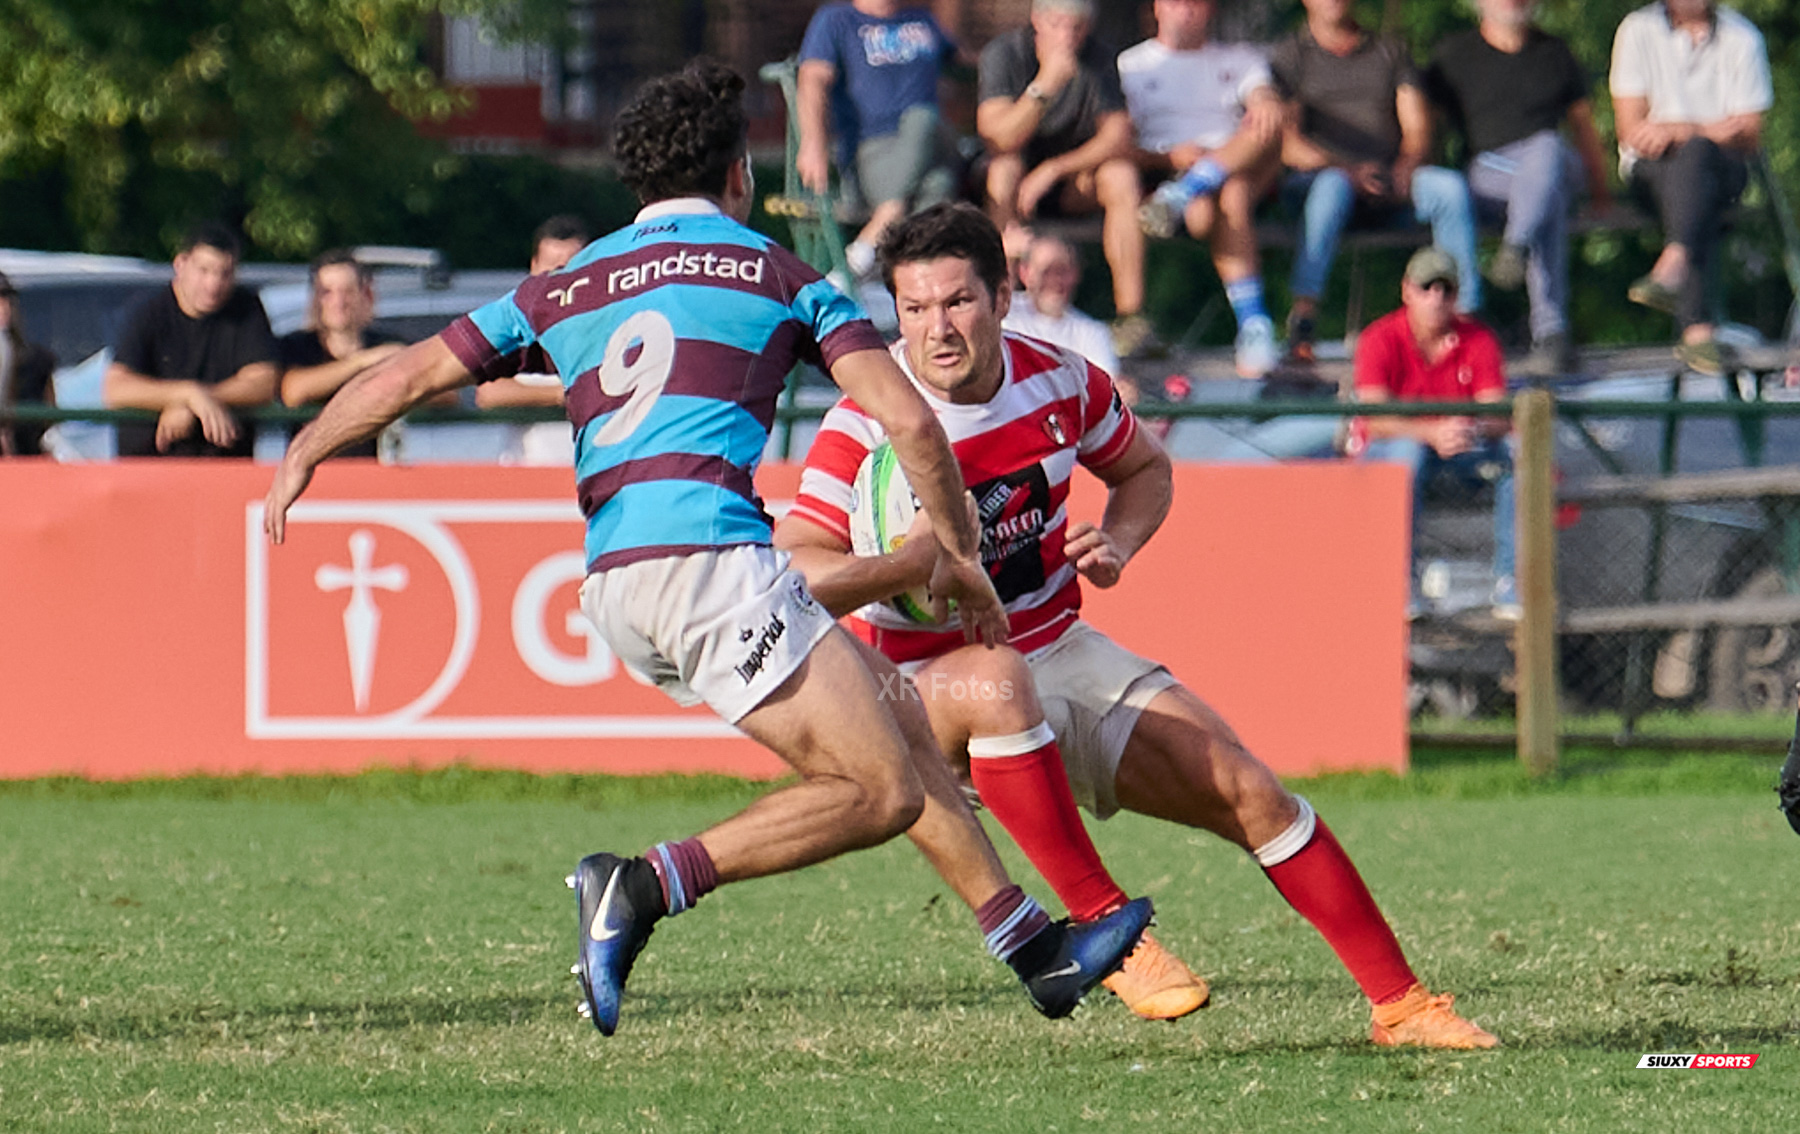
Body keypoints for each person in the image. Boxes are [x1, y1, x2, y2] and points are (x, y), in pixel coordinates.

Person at [263, 60, 1150, 1037]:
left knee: (896, 718)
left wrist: (305, 448)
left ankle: (1036, 950)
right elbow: (912, 424)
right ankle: (642, 885)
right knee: (880, 792)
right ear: (737, 174)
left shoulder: (566, 283)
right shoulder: (777, 273)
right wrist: (963, 558)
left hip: (614, 581)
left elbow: (409, 375)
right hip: (713, 566)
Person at [776, 203, 1500, 1048]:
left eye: (959, 301)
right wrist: (908, 566)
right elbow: (800, 571)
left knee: (1248, 788)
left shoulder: (1062, 380)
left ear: (1003, 297)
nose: (937, 328)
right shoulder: (866, 422)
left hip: (1057, 646)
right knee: (998, 682)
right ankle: (1108, 927)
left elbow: (1145, 470)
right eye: (914, 308)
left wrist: (1117, 541)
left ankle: (1403, 1005)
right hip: (924, 690)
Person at [1270, 0, 1481, 362]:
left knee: (1449, 189)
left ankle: (1463, 319)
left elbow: (1417, 127)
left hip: (1388, 178)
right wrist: (1348, 171)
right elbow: (1288, 144)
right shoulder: (1291, 55)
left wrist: (1406, 165)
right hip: (1320, 181)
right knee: (1331, 187)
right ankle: (1304, 318)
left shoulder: (1389, 50)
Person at [1425, 0, 1613, 377]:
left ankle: (1517, 245)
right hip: (1489, 172)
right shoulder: (1453, 55)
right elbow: (1429, 126)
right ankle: (1551, 331)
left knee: (1547, 150)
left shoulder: (1554, 52)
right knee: (1547, 193)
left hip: (1553, 164)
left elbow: (1583, 126)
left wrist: (1601, 189)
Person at [977, 0, 1159, 360]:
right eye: (1057, 24)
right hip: (1014, 180)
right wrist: (1045, 85)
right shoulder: (1005, 53)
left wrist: (1054, 169)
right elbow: (997, 138)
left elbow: (1117, 135)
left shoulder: (1099, 57)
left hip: (1071, 180)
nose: (1067, 36)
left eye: (1076, 27)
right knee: (1004, 170)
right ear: (1037, 20)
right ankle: (997, 298)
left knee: (1121, 176)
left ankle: (1131, 316)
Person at [1351, 247, 1516, 620]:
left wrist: (1469, 427)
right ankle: (1401, 582)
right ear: (1407, 291)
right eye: (1427, 287)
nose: (1436, 297)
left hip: (1461, 452)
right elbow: (1375, 419)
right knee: (1408, 453)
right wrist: (1431, 432)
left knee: (1520, 459)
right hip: (1390, 454)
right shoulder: (1379, 338)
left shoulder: (1478, 338)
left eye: (1446, 289)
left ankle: (1513, 583)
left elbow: (1498, 413)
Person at [1609, 0, 1772, 375]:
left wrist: (1679, 131)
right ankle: (1697, 329)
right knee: (1696, 177)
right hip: (1655, 170)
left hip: (1724, 168)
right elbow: (1631, 128)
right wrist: (1709, 130)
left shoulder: (1742, 37)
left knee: (1698, 159)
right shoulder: (1637, 30)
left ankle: (1675, 263)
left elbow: (1749, 133)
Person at [1123, 0, 1285, 378]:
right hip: (1166, 169)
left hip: (1230, 166)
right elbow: (1118, 140)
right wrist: (1170, 157)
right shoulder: (1132, 65)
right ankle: (1254, 320)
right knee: (1220, 205)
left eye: (1195, 2)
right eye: (1176, 2)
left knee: (1269, 123)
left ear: (1210, 9)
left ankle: (1186, 191)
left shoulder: (1240, 58)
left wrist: (1266, 102)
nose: (1185, 10)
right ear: (1157, 7)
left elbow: (1263, 97)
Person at [797, 0, 961, 286]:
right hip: (873, 148)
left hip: (927, 147)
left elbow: (965, 60)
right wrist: (813, 143)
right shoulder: (837, 19)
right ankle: (891, 259)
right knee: (933, 159)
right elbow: (812, 79)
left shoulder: (922, 20)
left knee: (933, 153)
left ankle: (880, 248)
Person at [103, 222, 279, 457]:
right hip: (149, 464)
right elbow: (116, 388)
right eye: (204, 270)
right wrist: (187, 393)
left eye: (225, 273)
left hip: (224, 465)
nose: (213, 284)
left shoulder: (247, 310)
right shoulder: (146, 311)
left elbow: (264, 384)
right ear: (180, 264)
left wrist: (198, 401)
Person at [473, 214, 591, 466]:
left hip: (591, 476)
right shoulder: (514, 326)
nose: (559, 279)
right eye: (551, 267)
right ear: (533, 266)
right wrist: (563, 395)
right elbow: (489, 392)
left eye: (570, 268)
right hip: (532, 478)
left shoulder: (604, 328)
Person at [277, 250, 408, 458]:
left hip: (375, 471)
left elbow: (445, 393)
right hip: (313, 470)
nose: (338, 302)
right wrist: (361, 361)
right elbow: (293, 392)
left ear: (365, 295)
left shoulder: (389, 344)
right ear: (314, 299)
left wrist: (401, 372)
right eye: (327, 292)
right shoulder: (295, 345)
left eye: (347, 291)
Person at [1001, 233, 1122, 383]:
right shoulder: (1005, 313)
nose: (1055, 280)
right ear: (1025, 273)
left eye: (1062, 271)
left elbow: (1107, 385)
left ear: (1075, 274)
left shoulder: (1092, 333)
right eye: (1046, 272)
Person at [0, 270, 57, 457]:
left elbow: (51, 420)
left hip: (25, 461)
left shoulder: (37, 361)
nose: (4, 307)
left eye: (6, 299)